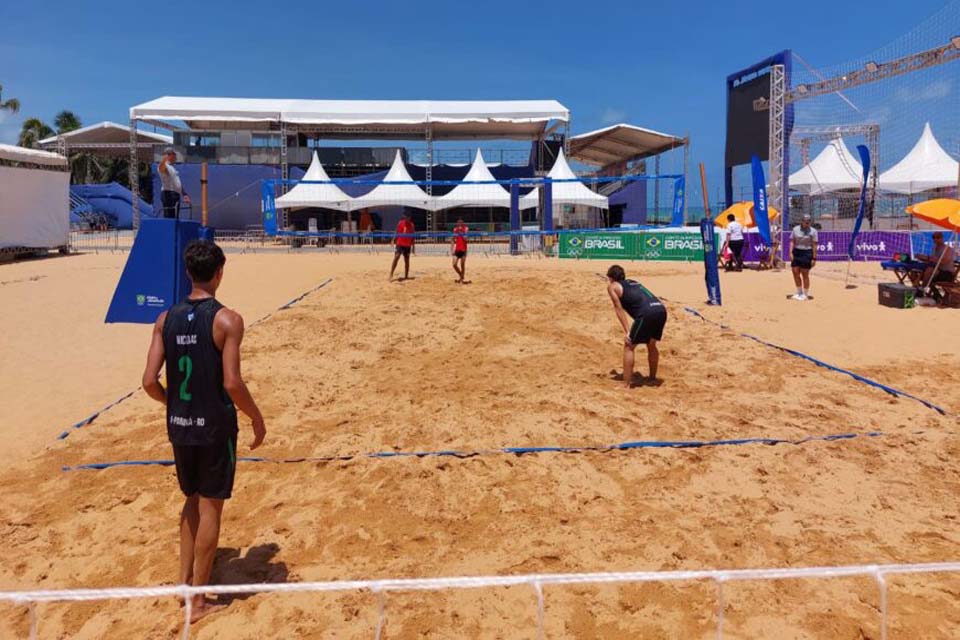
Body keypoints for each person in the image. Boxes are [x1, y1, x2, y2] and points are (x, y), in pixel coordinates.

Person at [141, 240, 266, 622]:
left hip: (179, 425)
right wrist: (256, 418)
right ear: (219, 273)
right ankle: (197, 602)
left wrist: (174, 404)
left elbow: (148, 381)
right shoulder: (228, 320)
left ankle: (184, 585)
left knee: (191, 500)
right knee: (211, 505)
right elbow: (232, 382)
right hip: (214, 426)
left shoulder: (164, 319)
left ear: (188, 273)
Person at [606, 264, 667, 388]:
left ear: (610, 278)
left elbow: (618, 309)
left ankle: (626, 384)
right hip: (660, 309)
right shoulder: (633, 282)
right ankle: (652, 378)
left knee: (629, 345)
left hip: (646, 313)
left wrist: (627, 331)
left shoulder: (612, 286)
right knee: (651, 344)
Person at [789, 214, 818, 300]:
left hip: (807, 252)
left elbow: (814, 245)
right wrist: (790, 252)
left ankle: (805, 294)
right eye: (806, 222)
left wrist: (814, 258)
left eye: (809, 222)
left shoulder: (813, 231)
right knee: (795, 272)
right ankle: (799, 292)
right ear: (802, 221)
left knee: (805, 274)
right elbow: (792, 241)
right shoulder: (795, 229)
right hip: (797, 252)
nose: (807, 223)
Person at [159, 147, 190, 219]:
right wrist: (164, 159)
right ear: (169, 155)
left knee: (175, 217)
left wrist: (184, 194)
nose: (176, 157)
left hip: (175, 195)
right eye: (174, 155)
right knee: (169, 218)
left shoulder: (172, 168)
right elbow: (161, 168)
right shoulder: (165, 166)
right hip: (168, 194)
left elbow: (177, 182)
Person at [389, 213, 415, 281]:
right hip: (400, 244)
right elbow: (397, 232)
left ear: (410, 217)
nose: (407, 218)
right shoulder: (400, 223)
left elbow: (413, 236)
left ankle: (406, 276)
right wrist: (393, 240)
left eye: (408, 217)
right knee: (396, 257)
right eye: (406, 217)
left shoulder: (411, 225)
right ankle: (391, 274)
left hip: (407, 245)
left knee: (407, 260)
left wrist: (413, 247)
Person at [451, 217, 469, 283]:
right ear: (457, 223)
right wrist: (452, 249)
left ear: (463, 223)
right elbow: (452, 240)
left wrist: (462, 233)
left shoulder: (466, 228)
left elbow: (466, 239)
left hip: (464, 249)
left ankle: (461, 279)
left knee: (462, 265)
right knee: (454, 264)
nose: (460, 223)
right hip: (457, 249)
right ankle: (461, 276)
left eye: (461, 222)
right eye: (458, 222)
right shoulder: (455, 229)